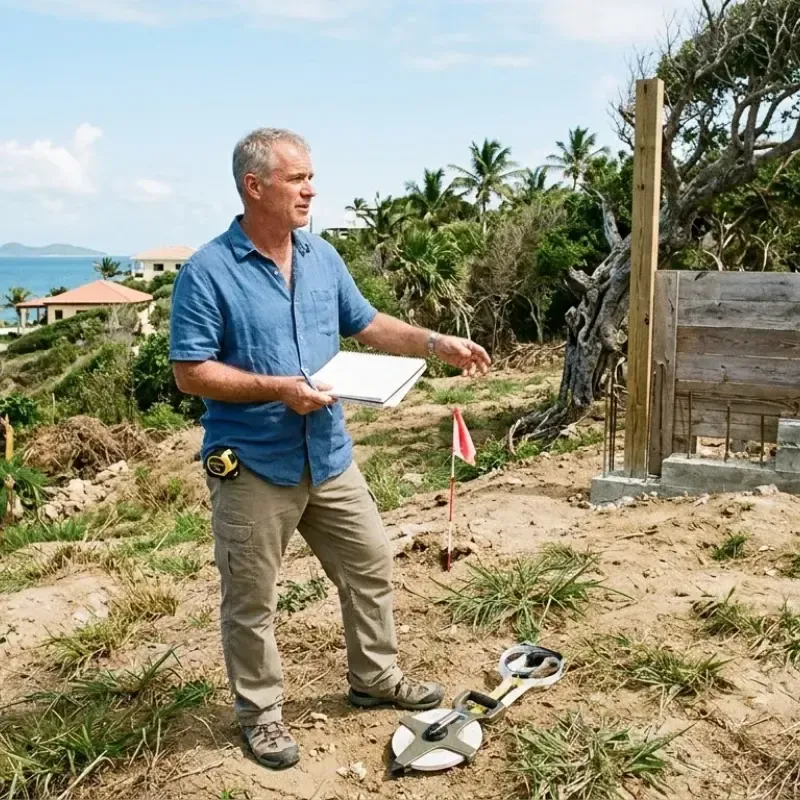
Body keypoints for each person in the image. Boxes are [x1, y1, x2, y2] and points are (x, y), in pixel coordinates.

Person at [169, 127, 491, 771]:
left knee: (370, 562)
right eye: (296, 179)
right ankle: (260, 716)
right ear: (254, 186)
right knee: (252, 599)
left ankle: (373, 677)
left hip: (329, 454)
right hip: (254, 464)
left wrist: (436, 343)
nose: (310, 189)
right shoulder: (207, 272)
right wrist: (276, 390)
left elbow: (366, 323)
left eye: (311, 177)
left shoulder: (321, 258)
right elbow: (190, 371)